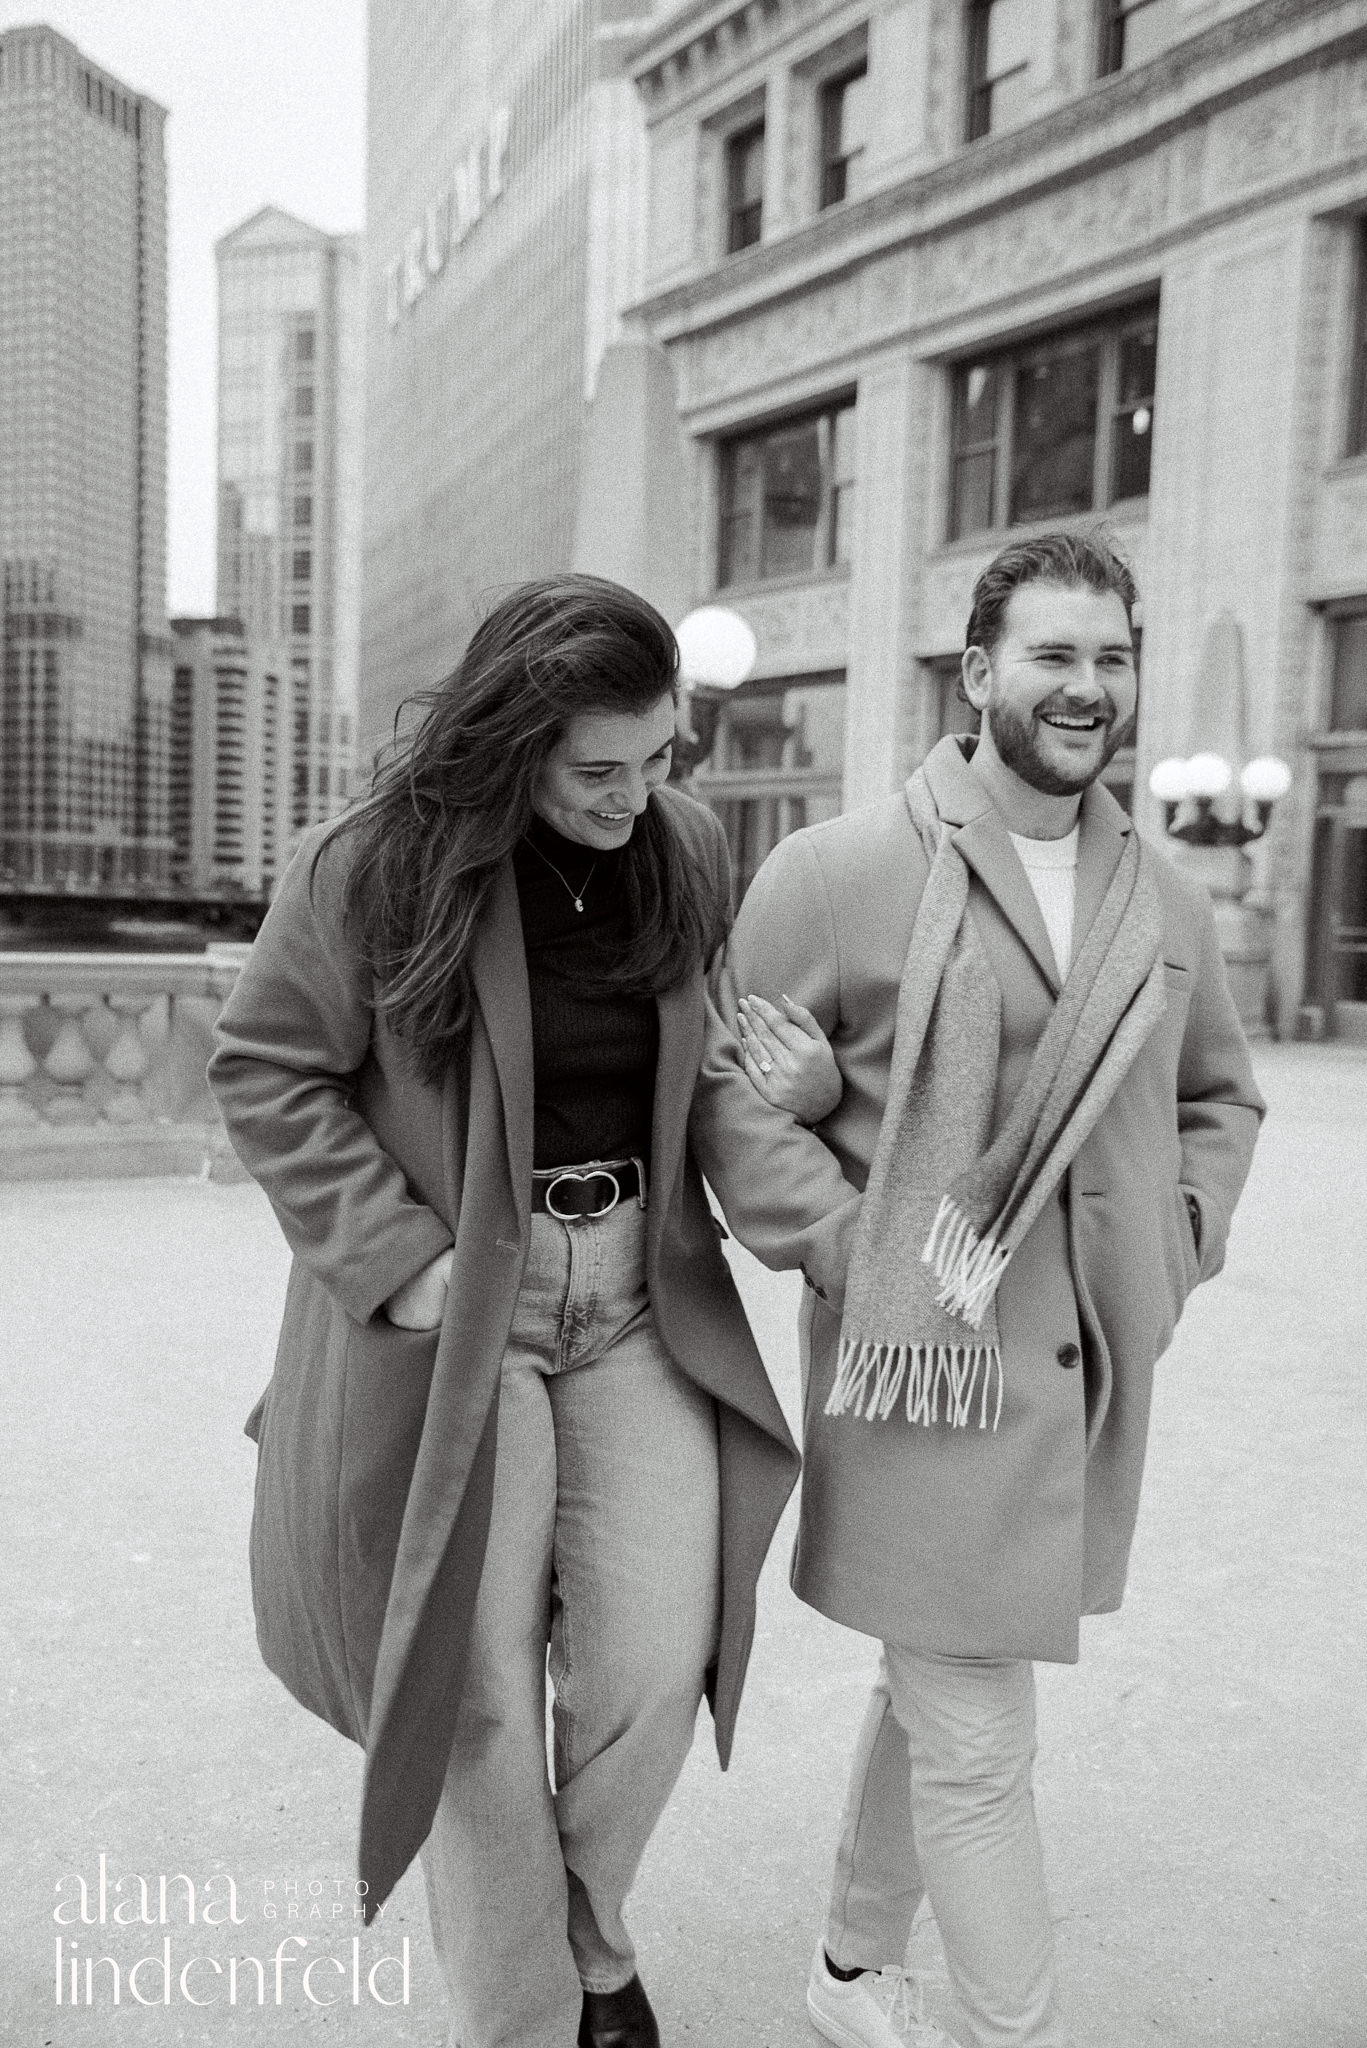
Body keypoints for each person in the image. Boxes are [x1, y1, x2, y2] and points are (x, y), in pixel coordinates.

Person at [207, 575, 834, 2048]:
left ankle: (593, 1928)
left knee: (652, 1655)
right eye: (597, 770)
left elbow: (719, 1092)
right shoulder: (370, 866)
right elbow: (265, 1069)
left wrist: (840, 1219)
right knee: (478, 1692)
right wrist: (401, 1258)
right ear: (511, 747)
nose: (640, 794)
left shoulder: (679, 846)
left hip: (634, 1297)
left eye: (661, 754)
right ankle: (538, 2013)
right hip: (458, 1316)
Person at [694, 531, 1265, 2048]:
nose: (1087, 688)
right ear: (980, 674)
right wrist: (853, 1253)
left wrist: (1175, 1239)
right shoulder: (839, 871)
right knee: (976, 1732)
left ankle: (844, 1966)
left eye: (1111, 659)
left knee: (947, 1673)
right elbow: (734, 1105)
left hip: (1082, 1373)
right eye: (1054, 656)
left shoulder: (1164, 895)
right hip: (920, 1379)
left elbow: (1222, 1097)